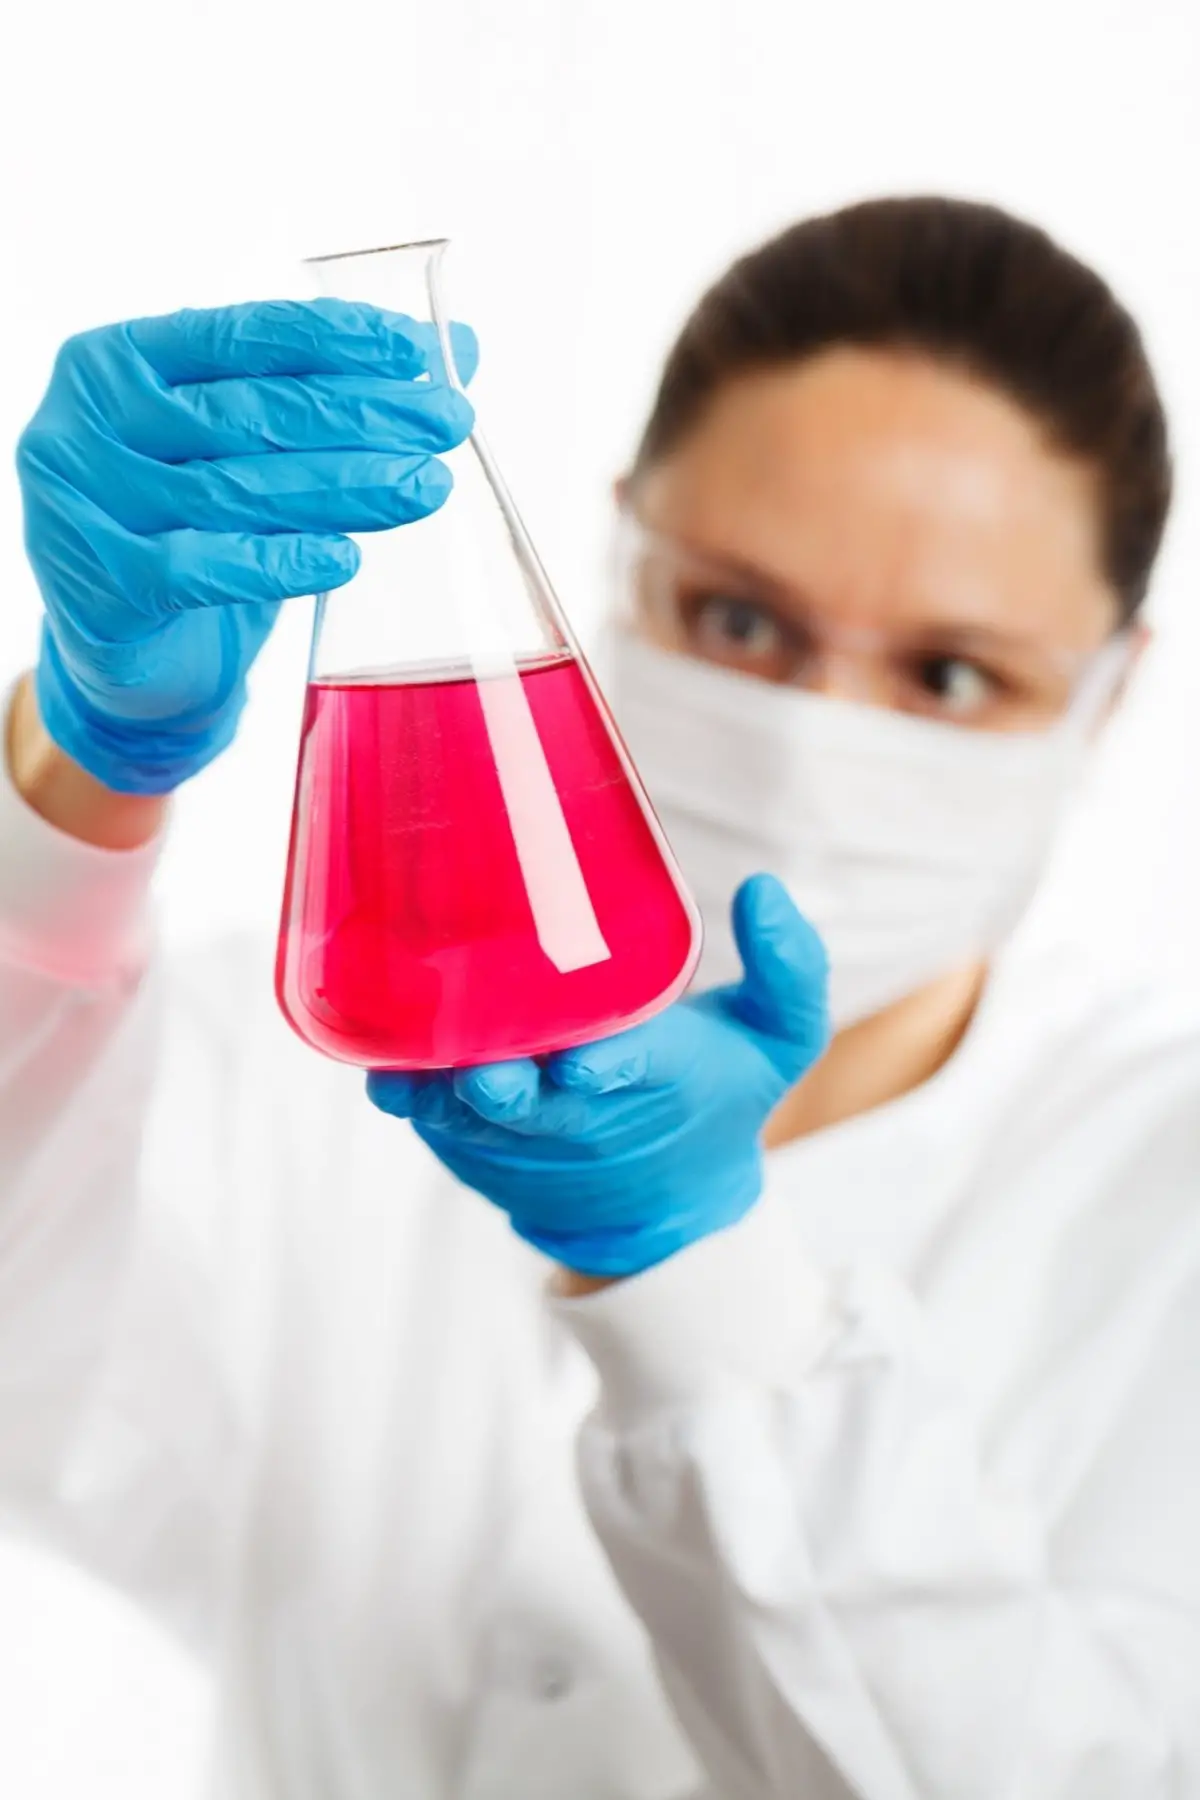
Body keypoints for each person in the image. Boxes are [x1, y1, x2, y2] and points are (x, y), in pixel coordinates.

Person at [2, 196, 1198, 1799]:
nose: (810, 738)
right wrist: (80, 761)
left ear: (1113, 686)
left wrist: (698, 1285)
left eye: (951, 674)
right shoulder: (301, 1061)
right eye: (740, 618)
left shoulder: (1159, 1187)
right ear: (620, 546)